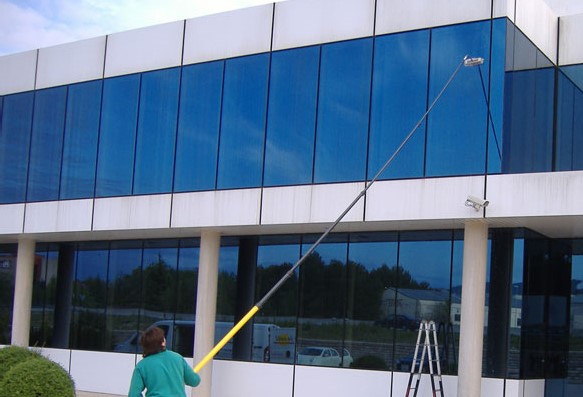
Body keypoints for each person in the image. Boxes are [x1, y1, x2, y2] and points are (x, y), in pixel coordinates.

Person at [128, 326, 200, 397]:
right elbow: (195, 381)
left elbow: (133, 394)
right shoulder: (177, 358)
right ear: (162, 342)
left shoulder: (141, 366)